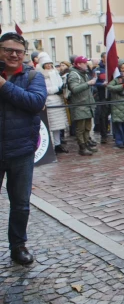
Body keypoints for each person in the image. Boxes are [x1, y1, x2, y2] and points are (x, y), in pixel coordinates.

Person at [0, 32, 47, 265]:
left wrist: (3, 85)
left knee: (20, 204)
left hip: (21, 152)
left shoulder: (32, 76)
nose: (14, 55)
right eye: (8, 50)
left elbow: (35, 103)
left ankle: (18, 246)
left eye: (18, 51)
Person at [37, 53, 68, 154]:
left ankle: (58, 144)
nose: (49, 65)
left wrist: (62, 88)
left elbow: (60, 84)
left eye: (50, 63)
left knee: (58, 126)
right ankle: (52, 146)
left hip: (58, 100)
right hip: (48, 101)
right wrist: (56, 89)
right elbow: (42, 89)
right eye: (47, 64)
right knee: (50, 125)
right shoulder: (40, 75)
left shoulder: (55, 72)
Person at [67, 56, 98, 156]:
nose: (86, 65)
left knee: (87, 127)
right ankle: (82, 147)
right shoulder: (73, 74)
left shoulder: (83, 73)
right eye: (84, 63)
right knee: (80, 128)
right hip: (79, 104)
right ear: (79, 64)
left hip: (87, 104)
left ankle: (86, 144)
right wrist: (88, 83)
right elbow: (74, 89)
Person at [107, 71, 124, 150]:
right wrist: (122, 86)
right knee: (118, 125)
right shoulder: (115, 80)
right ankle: (119, 141)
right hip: (118, 105)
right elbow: (109, 87)